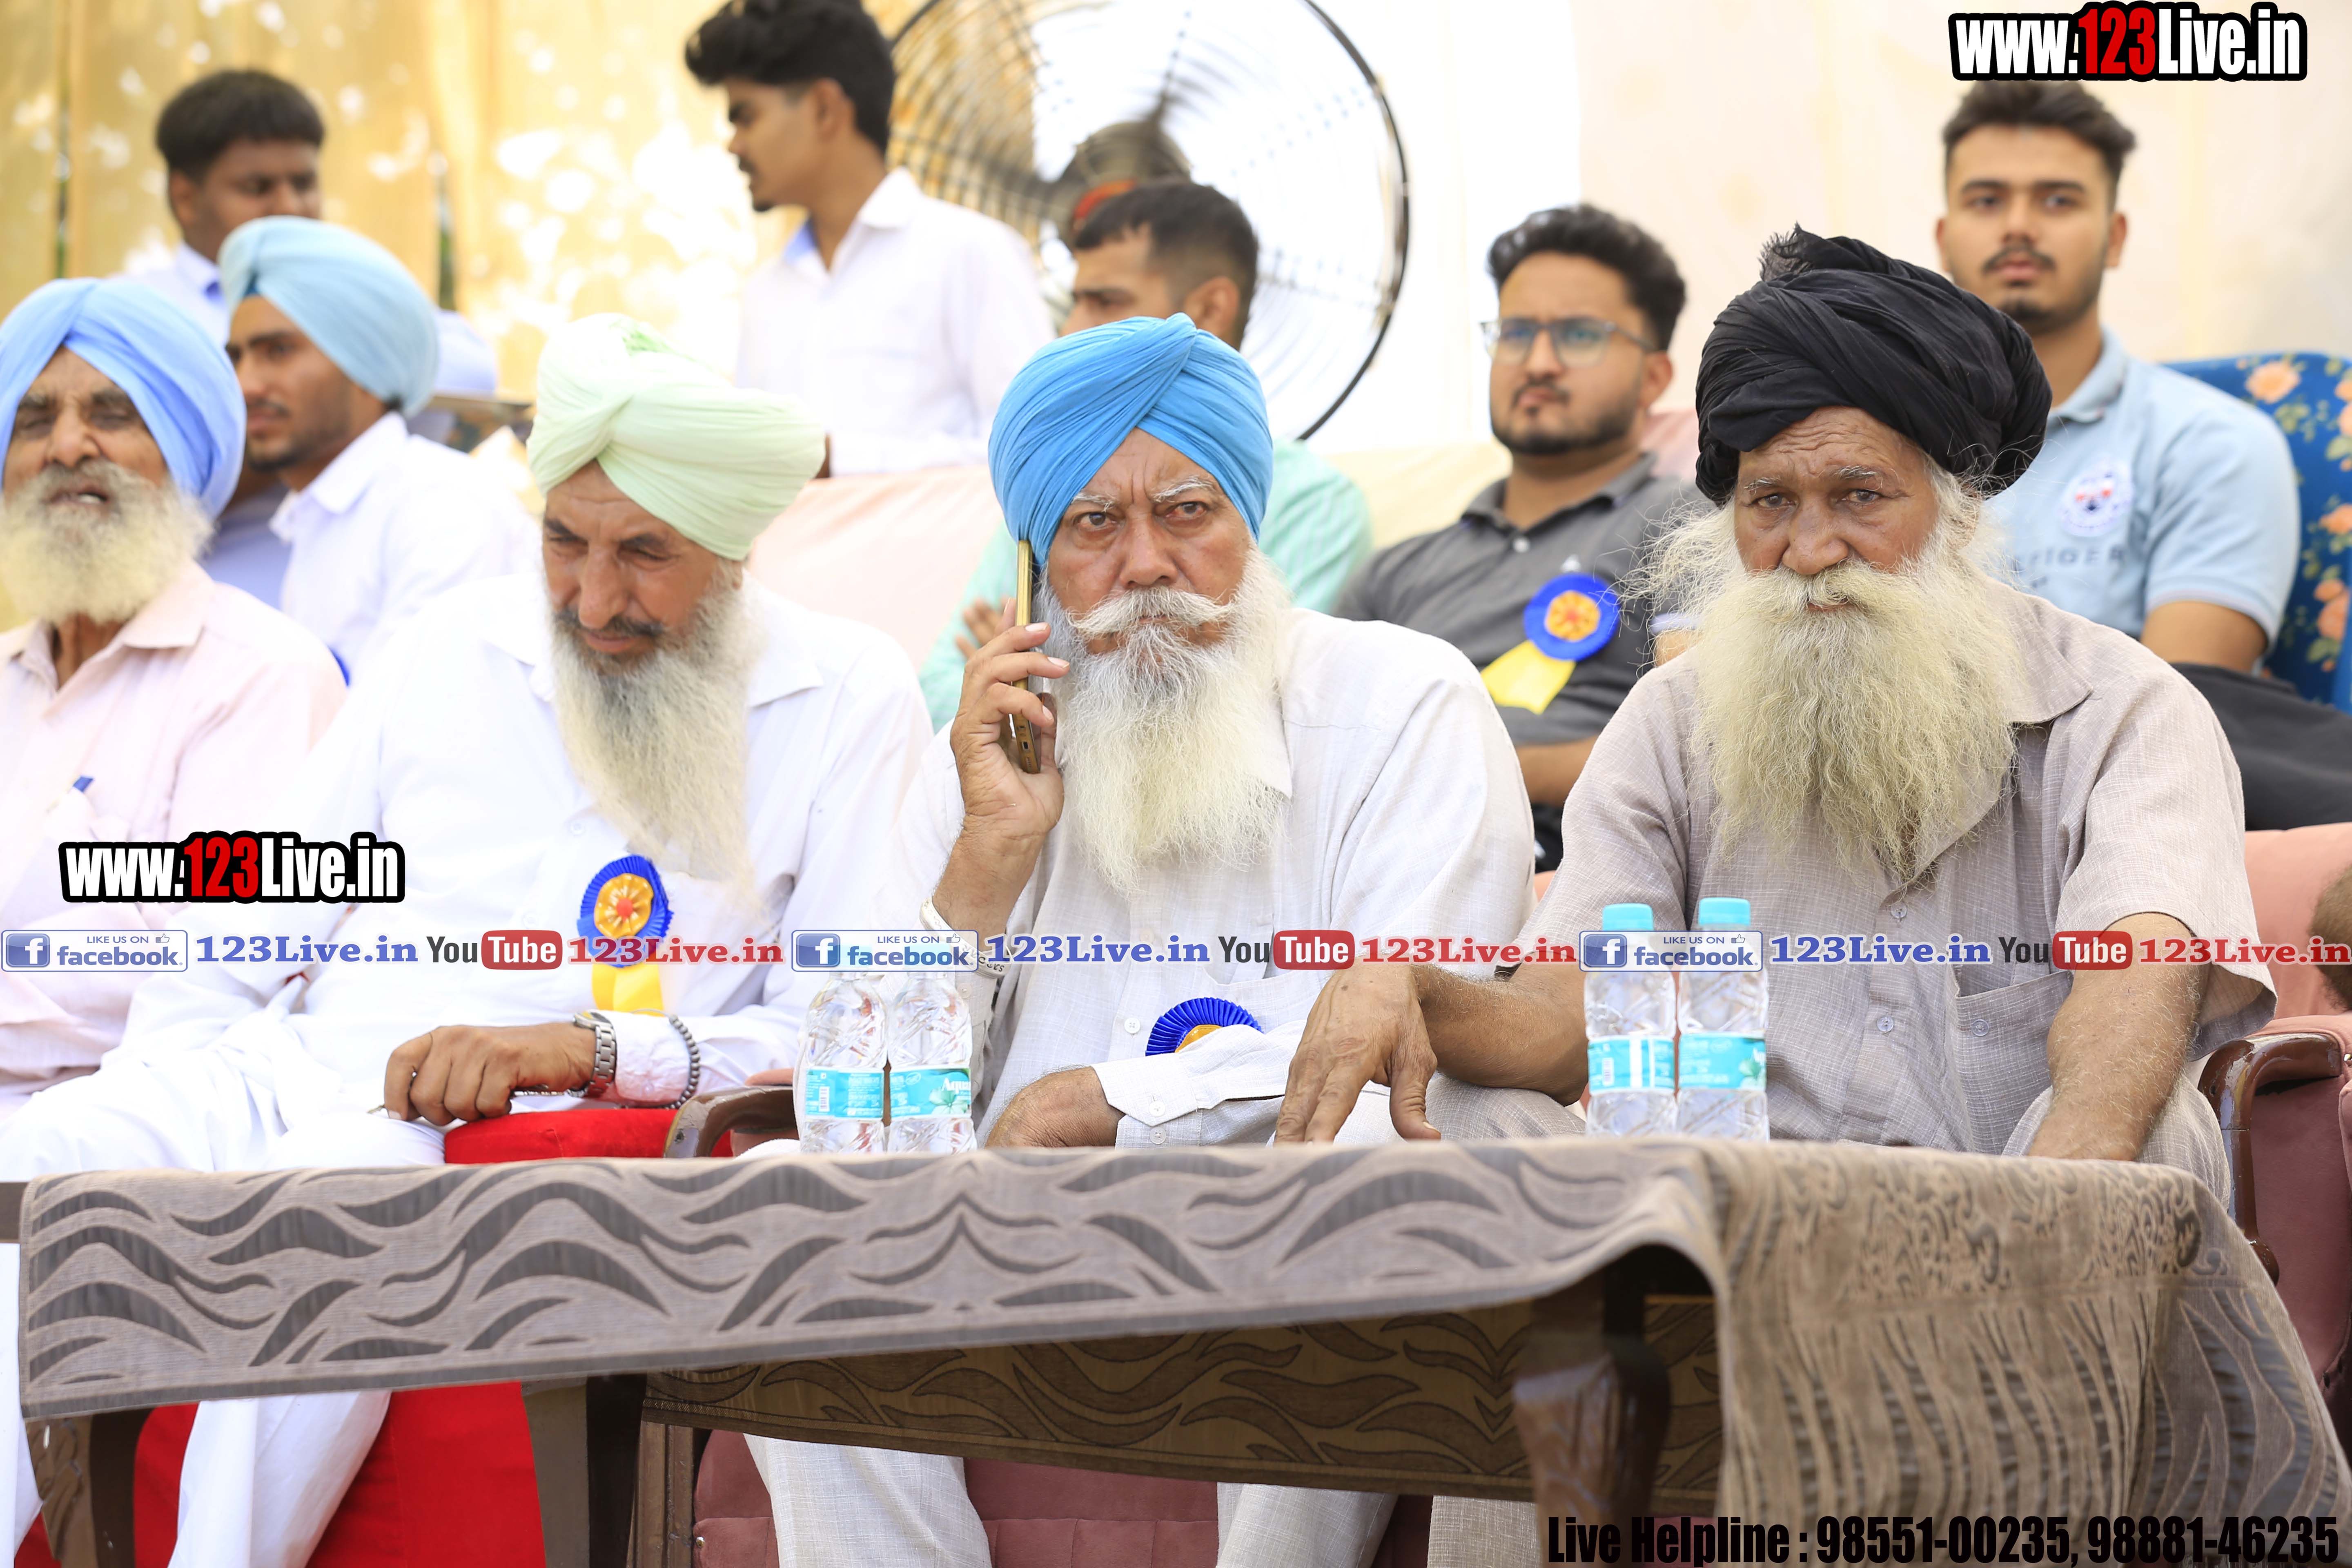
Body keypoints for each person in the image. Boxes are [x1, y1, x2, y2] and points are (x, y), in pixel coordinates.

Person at [0, 313, 930, 1568]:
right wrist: (165, 1093)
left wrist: (593, 1046)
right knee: (43, 1158)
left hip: (477, 1127)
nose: (592, 599)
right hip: (290, 1067)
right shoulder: (448, 641)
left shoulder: (848, 694)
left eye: (644, 554)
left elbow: (852, 1027)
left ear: (734, 544)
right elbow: (250, 917)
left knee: (329, 1209)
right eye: (564, 542)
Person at [749, 314, 1534, 1566]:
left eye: (1187, 512)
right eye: (1092, 525)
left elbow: (1408, 1043)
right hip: (1006, 1251)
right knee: (790, 1190)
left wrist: (1115, 1103)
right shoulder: (988, 753)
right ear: (1036, 567)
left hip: (1272, 1224)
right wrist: (989, 858)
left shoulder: (1402, 703)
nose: (1149, 564)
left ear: (1250, 522)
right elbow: (874, 1109)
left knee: (1381, 1153)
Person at [1266, 230, 2264, 1189]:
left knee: (2151, 1124)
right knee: (1474, 1105)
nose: (1809, 549)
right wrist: (1415, 990)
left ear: (1957, 508)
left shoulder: (2122, 711)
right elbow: (1569, 1016)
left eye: (1859, 496)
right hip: (1728, 1229)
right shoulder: (1672, 722)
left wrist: (2033, 1216)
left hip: (2024, 1228)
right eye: (1770, 502)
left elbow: (2132, 994)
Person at [0, 279, 343, 1115]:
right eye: (34, 420)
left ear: (181, 453)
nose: (67, 446)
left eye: (113, 414)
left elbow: (208, 976)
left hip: (118, 1150)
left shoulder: (259, 675)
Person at [916, 178, 1374, 726]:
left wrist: (1053, 674)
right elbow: (946, 695)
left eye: (1188, 511)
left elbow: (1275, 688)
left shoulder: (1314, 500)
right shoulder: (1057, 477)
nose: (1071, 328)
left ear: (1210, 308)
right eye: (1096, 522)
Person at [1335, 205, 1697, 871]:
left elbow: (1704, 752)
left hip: (1577, 866)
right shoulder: (1396, 571)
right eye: (1516, 332)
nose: (1538, 362)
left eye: (1580, 335)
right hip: (1381, 862)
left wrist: (1477, 771)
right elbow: (1318, 749)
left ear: (1653, 377)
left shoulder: (1688, 524)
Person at [1935, 81, 2297, 673]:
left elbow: (2181, 713)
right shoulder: (1881, 440)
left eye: (2058, 200)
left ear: (2116, 238)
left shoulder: (2216, 445)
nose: (2019, 226)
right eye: (1987, 200)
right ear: (1944, 240)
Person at [688, 0, 1052, 472]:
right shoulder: (766, 292)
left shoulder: (973, 254)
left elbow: (1036, 455)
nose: (734, 144)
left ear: (824, 109)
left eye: (746, 117)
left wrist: (838, 459)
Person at [220, 216, 532, 679]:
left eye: (278, 352)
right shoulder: (316, 518)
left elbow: (417, 716)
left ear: (364, 365)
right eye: (237, 357)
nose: (245, 384)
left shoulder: (440, 506)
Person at [120, 69, 325, 341]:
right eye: (257, 188)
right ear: (186, 199)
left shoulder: (348, 303)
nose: (290, 207)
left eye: (303, 184)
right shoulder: (130, 317)